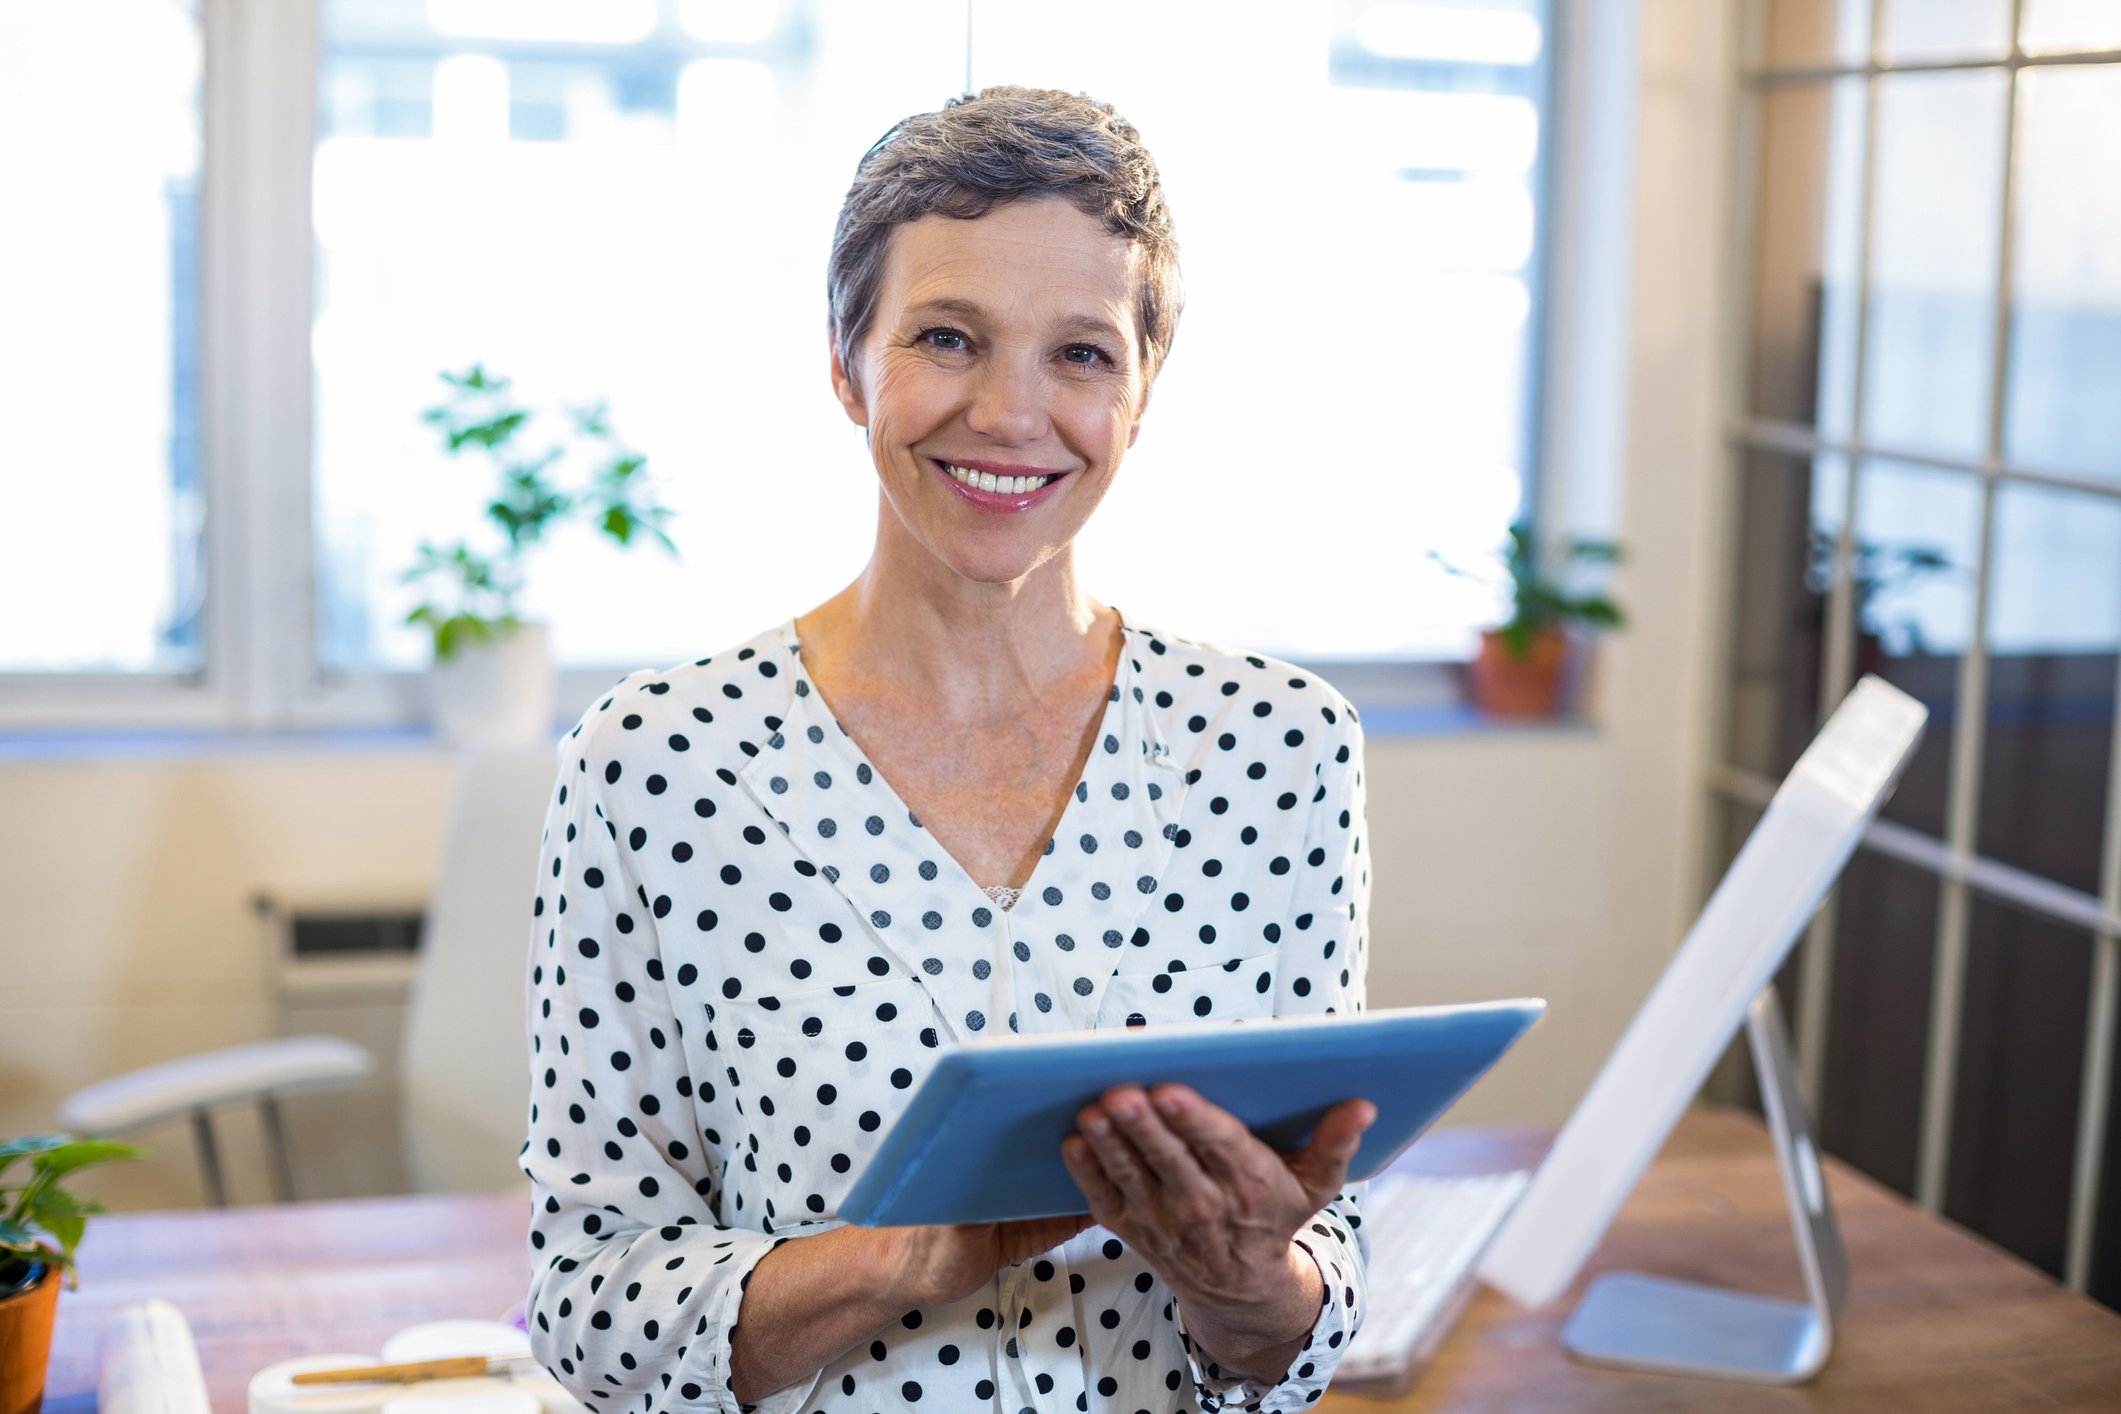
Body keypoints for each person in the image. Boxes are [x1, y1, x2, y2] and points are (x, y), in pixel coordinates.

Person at [523, 86, 1374, 1414]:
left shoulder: (1280, 751)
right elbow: (590, 1302)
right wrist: (907, 1256)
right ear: (843, 358)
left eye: (1081, 354)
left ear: (1143, 391)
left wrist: (1246, 1285)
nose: (1008, 411)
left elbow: (1317, 1288)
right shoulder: (656, 764)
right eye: (946, 337)